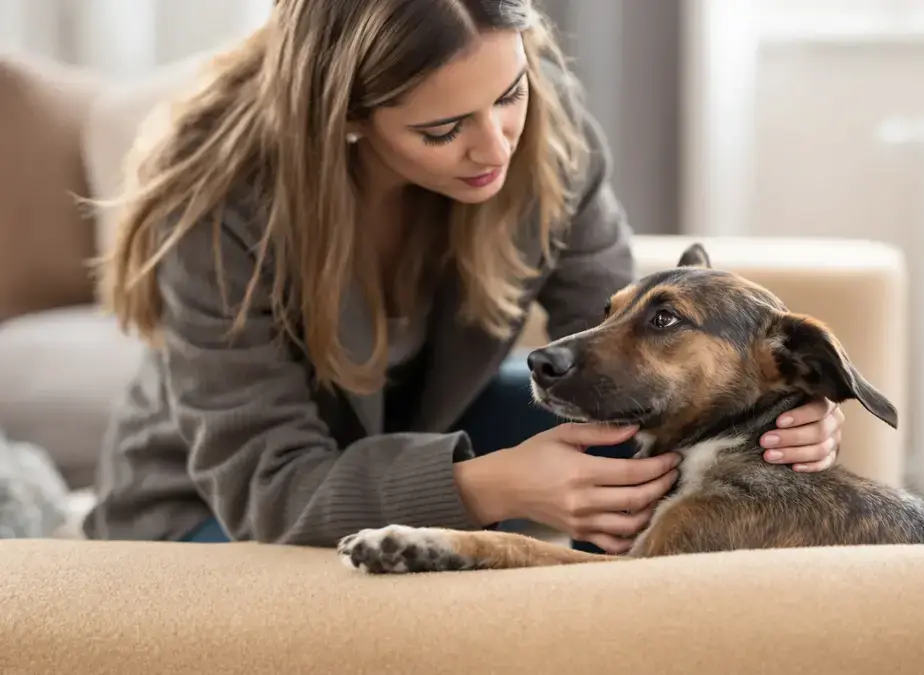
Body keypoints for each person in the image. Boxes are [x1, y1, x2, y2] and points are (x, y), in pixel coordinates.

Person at [83, 0, 845, 554]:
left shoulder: (543, 125)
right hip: (215, 502)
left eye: (508, 95)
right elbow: (268, 486)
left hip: (428, 428)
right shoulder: (221, 211)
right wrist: (494, 486)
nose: (494, 146)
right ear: (346, 116)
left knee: (636, 438)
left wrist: (781, 415)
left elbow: (624, 359)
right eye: (441, 130)